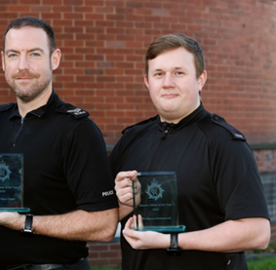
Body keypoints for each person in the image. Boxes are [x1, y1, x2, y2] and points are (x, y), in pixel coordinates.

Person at [0, 17, 119, 269]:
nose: (22, 66)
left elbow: (105, 224)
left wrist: (23, 223)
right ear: (3, 62)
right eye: (13, 55)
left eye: (34, 54)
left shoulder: (77, 130)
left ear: (55, 59)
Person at [110, 33, 270, 269]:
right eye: (159, 74)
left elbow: (257, 232)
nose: (167, 83)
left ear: (201, 79)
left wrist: (170, 241)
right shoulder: (131, 140)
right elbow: (98, 221)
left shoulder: (224, 143)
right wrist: (124, 203)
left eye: (179, 73)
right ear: (147, 82)